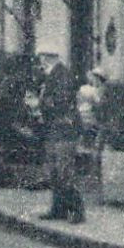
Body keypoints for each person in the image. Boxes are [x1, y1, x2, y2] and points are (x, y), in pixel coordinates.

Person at [38, 56, 85, 224]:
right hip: (55, 129)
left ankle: (77, 210)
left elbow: (61, 102)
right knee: (54, 171)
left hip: (64, 129)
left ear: (49, 59)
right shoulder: (53, 76)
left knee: (64, 170)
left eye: (43, 58)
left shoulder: (62, 76)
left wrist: (45, 104)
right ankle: (58, 209)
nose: (41, 62)